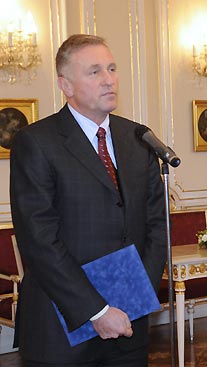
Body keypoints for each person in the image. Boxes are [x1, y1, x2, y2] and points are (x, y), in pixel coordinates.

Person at [9, 34, 167, 366]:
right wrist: (96, 309)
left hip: (129, 322)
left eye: (112, 68)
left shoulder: (138, 138)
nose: (109, 79)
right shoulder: (36, 142)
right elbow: (40, 241)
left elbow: (157, 225)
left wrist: (137, 296)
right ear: (65, 85)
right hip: (64, 326)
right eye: (94, 71)